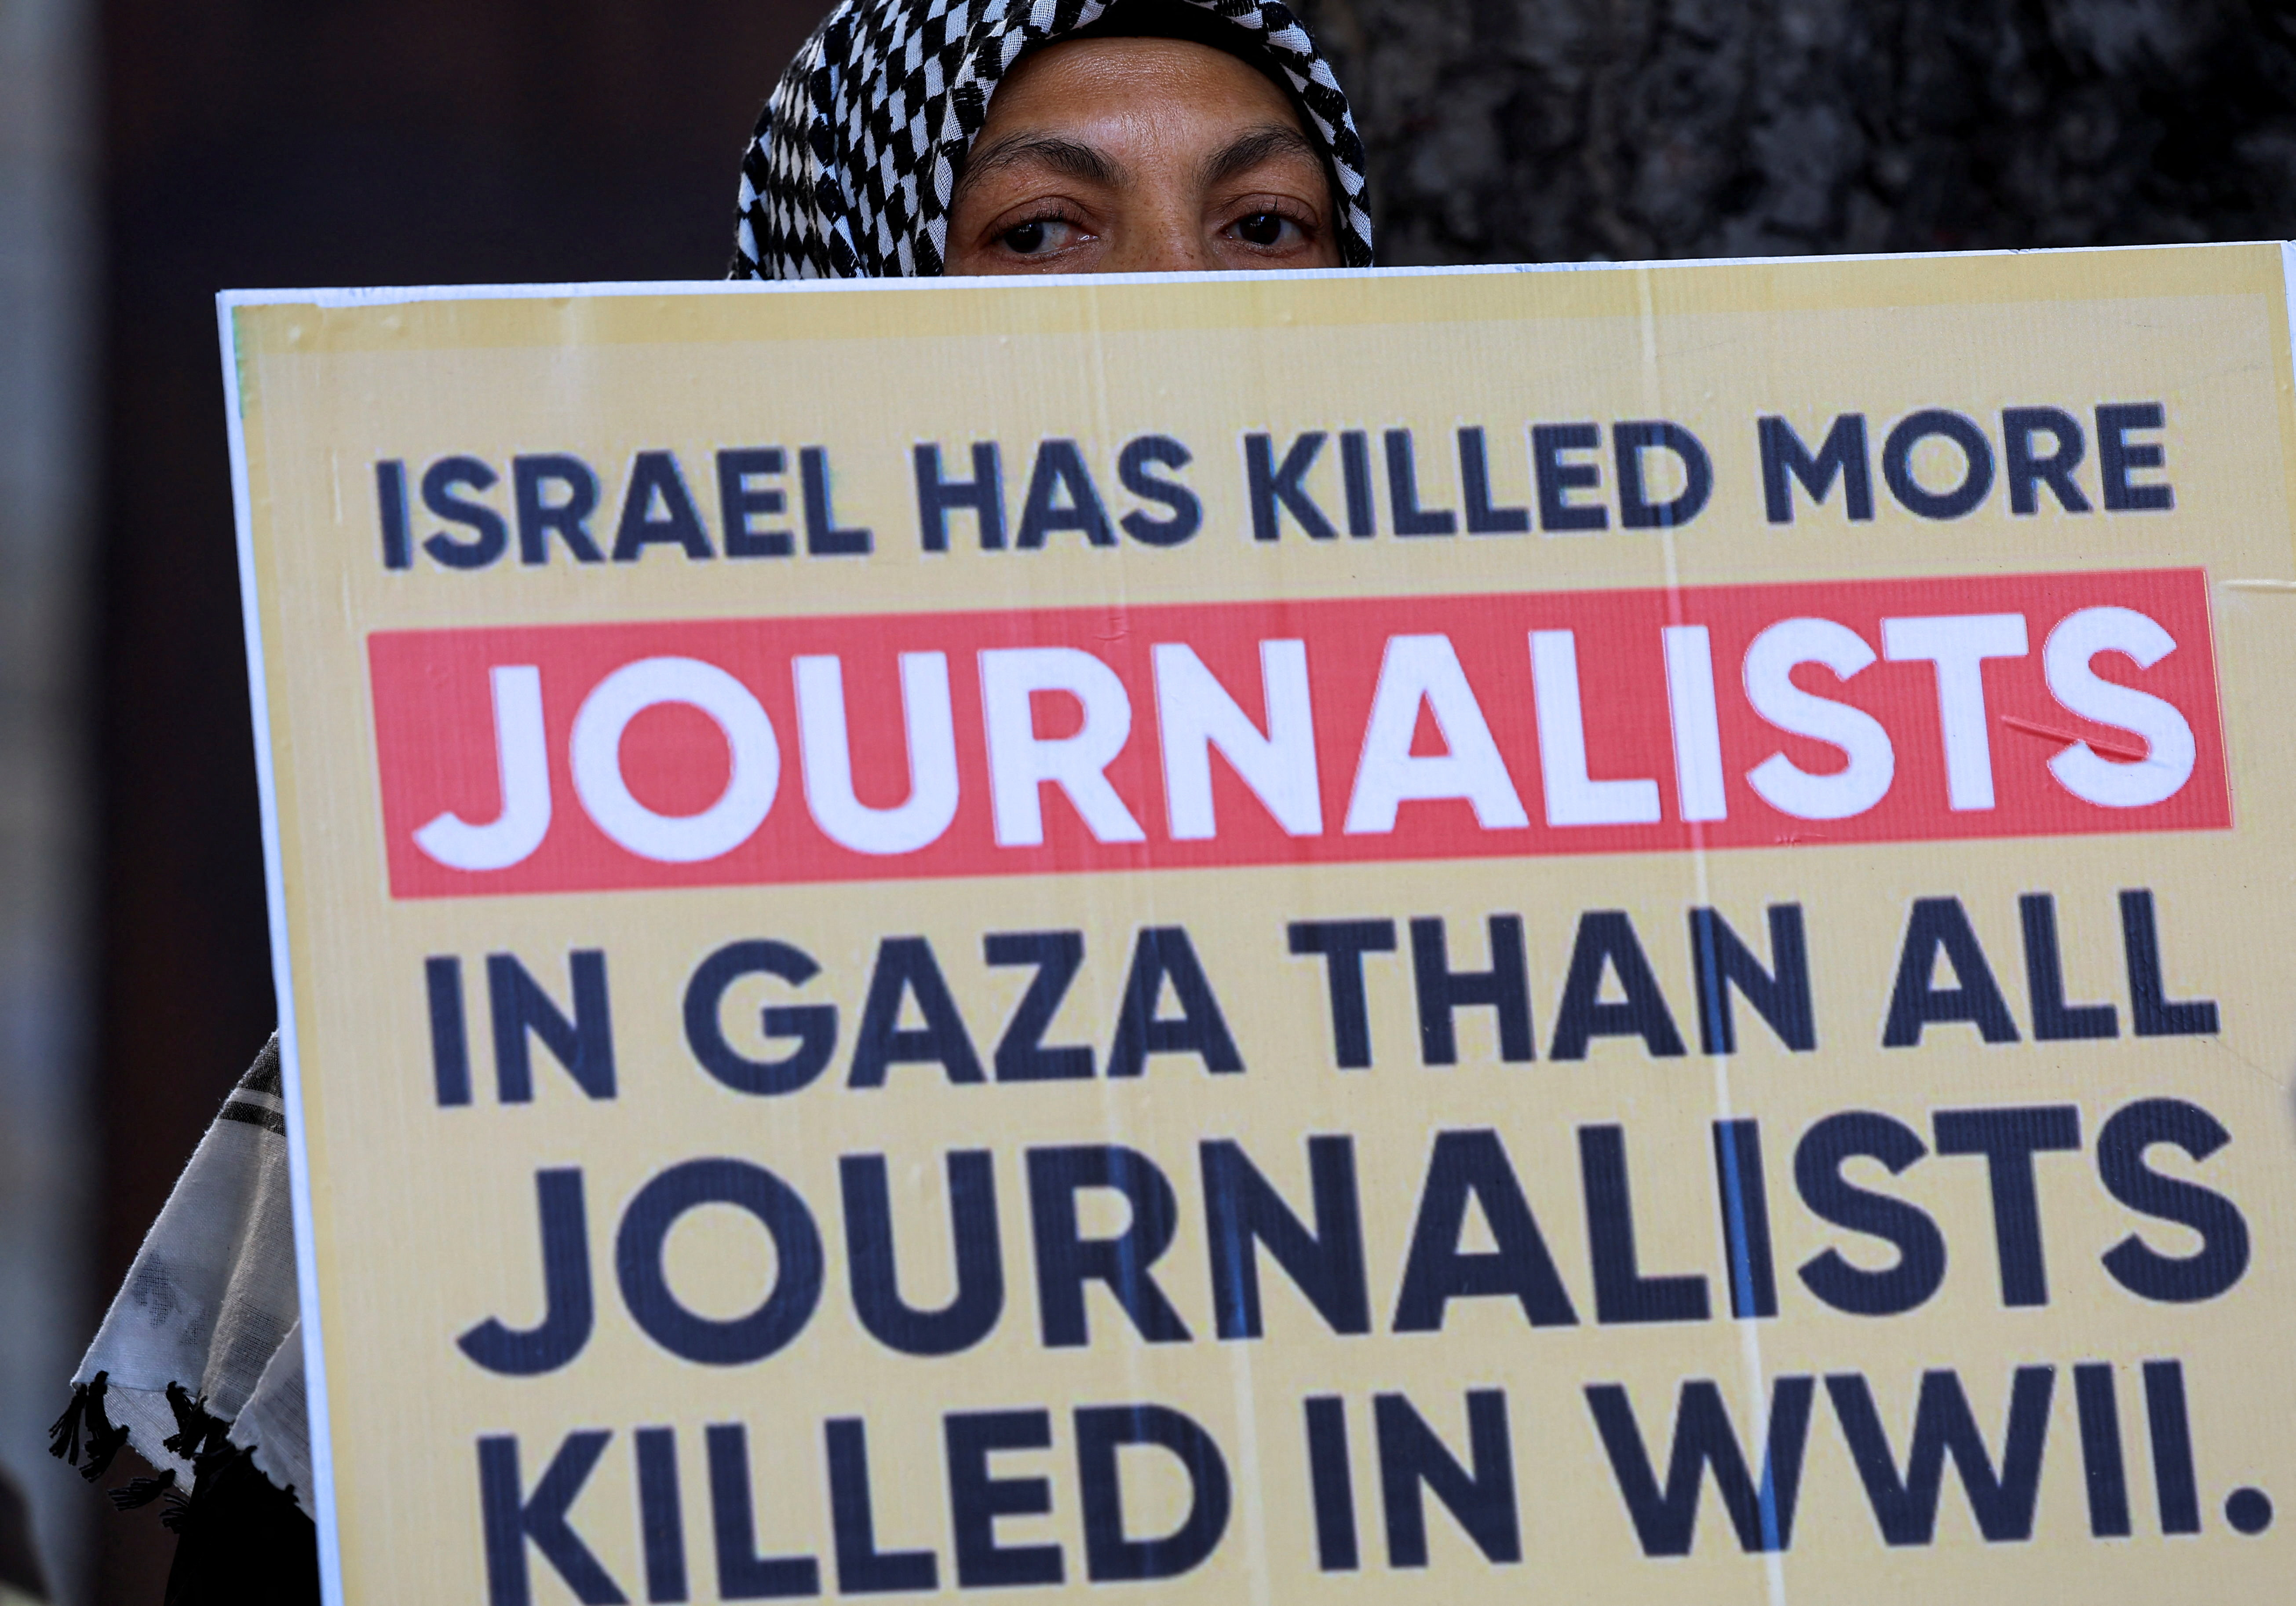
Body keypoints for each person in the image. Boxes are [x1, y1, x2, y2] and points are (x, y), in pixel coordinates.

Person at [56, 3, 1372, 1600]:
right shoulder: (591, 943)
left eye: (1262, 225)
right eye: (1040, 233)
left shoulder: (1576, 863)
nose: (1181, 305)